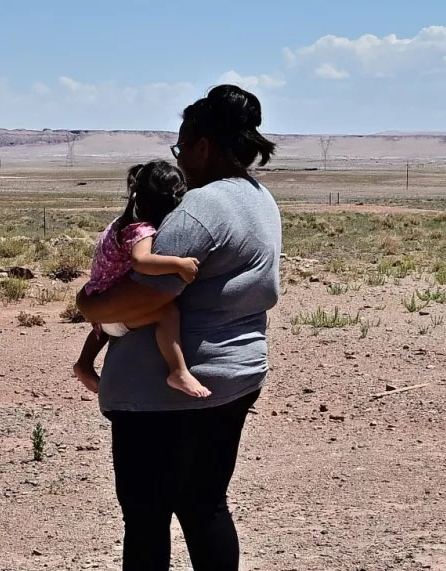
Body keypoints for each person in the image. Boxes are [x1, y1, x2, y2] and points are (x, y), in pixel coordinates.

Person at [76, 84, 282, 571]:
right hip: (236, 376)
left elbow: (149, 292)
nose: (180, 158)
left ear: (203, 146)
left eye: (181, 146)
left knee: (146, 518)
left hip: (161, 401)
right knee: (204, 504)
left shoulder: (203, 207)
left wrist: (89, 304)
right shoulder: (259, 198)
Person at [74, 160, 210, 399]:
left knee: (104, 326)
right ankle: (177, 371)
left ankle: (84, 364)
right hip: (112, 308)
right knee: (167, 314)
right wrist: (179, 264)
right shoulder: (142, 230)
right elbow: (141, 261)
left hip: (98, 297)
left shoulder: (121, 223)